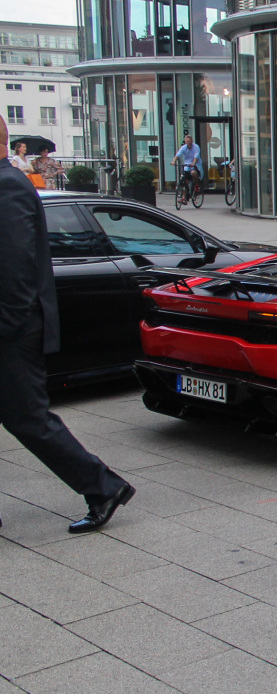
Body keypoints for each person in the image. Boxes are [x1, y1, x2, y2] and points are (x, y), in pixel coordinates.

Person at [0, 114, 135, 534]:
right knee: (27, 418)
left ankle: (103, 486)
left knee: (28, 419)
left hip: (13, 328)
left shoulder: (7, 187)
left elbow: (17, 274)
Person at [171, 134, 202, 203]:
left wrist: (193, 163)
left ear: (192, 141)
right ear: (185, 142)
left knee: (193, 173)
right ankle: (184, 197)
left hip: (195, 164)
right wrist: (173, 161)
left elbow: (196, 157)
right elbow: (178, 155)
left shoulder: (196, 147)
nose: (188, 143)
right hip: (187, 165)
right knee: (185, 181)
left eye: (190, 141)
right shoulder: (183, 147)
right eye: (187, 141)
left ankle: (197, 187)